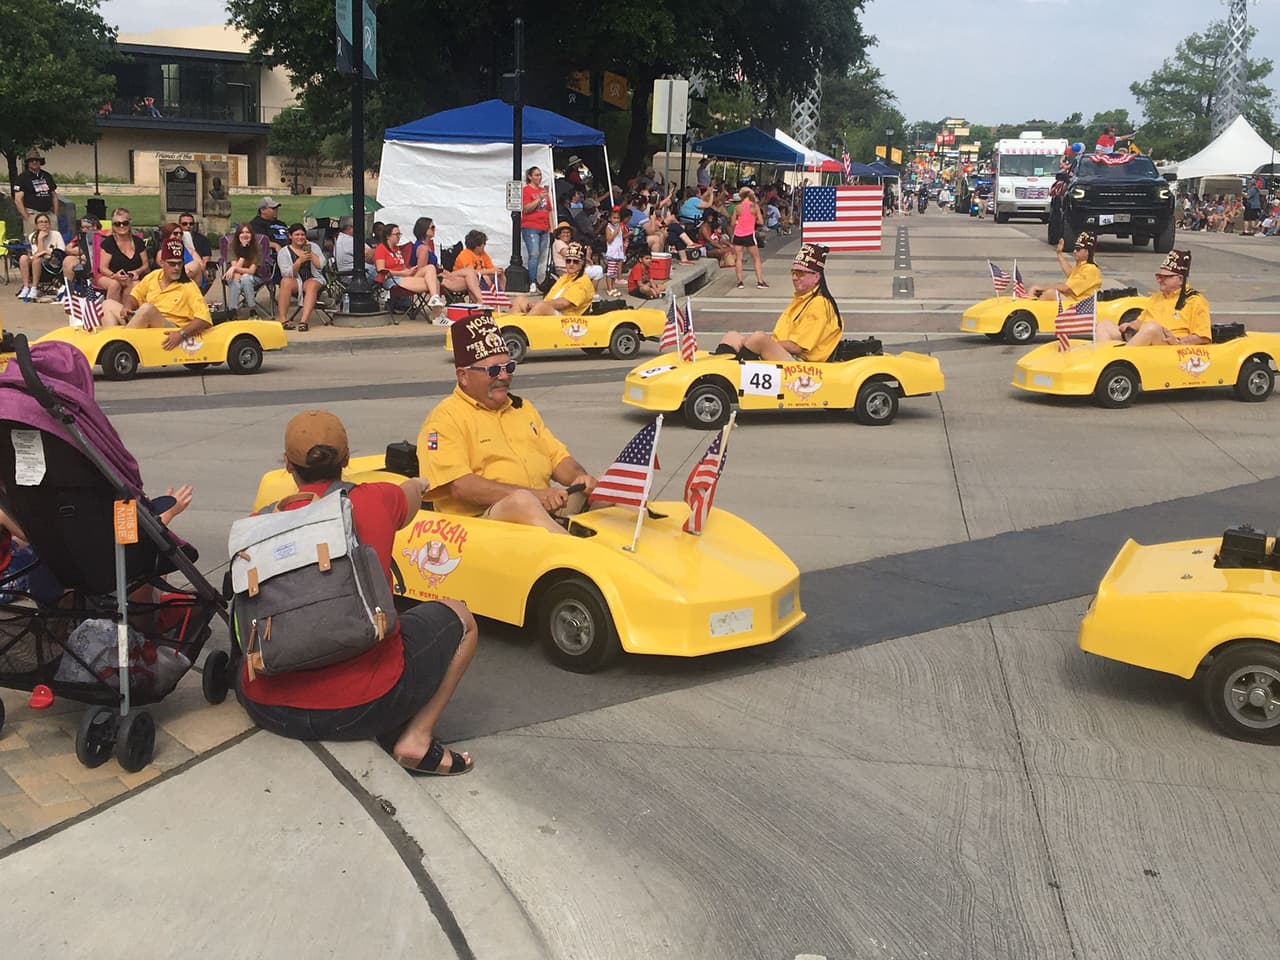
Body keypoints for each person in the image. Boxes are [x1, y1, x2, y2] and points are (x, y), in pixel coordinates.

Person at [237, 410, 478, 776]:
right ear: (347, 458)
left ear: (287, 464)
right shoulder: (375, 500)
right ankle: (416, 738)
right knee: (460, 618)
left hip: (268, 708)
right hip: (363, 708)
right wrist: (418, 482)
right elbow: (411, 494)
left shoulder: (259, 524)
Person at [417, 314, 598, 534]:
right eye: (493, 370)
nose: (504, 376)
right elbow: (459, 486)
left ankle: (630, 559)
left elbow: (557, 458)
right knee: (521, 502)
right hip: (478, 527)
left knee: (605, 490)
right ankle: (578, 557)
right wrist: (536, 496)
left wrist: (580, 477)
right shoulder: (445, 419)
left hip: (540, 509)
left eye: (509, 367)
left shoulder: (522, 408)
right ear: (463, 376)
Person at [715, 243, 841, 363]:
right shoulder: (802, 299)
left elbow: (797, 347)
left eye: (801, 274)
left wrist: (763, 344)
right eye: (793, 273)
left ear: (816, 277)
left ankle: (735, 374)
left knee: (759, 338)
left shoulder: (820, 304)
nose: (795, 278)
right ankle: (719, 373)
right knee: (731, 336)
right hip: (786, 354)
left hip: (804, 364)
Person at [101, 230, 212, 350]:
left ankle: (120, 347)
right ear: (162, 263)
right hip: (144, 322)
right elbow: (135, 295)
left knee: (147, 308)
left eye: (179, 264)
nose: (176, 268)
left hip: (169, 327)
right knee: (108, 304)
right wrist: (127, 306)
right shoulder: (154, 276)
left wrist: (180, 335)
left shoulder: (188, 285)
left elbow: (204, 319)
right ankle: (108, 345)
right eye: (172, 264)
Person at [1096, 250, 1210, 347]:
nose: (1159, 280)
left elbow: (1203, 337)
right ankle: (1102, 361)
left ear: (1180, 279)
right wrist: (1130, 326)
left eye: (1165, 277)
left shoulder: (1195, 301)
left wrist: (1179, 341)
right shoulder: (1156, 297)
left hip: (1170, 347)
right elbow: (1140, 322)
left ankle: (1119, 361)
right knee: (1104, 325)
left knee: (1151, 328)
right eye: (1158, 276)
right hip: (1144, 340)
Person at [406, 217, 485, 303]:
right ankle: (480, 302)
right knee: (470, 279)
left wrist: (444, 271)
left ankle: (479, 302)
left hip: (439, 275)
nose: (434, 230)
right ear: (424, 229)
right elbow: (422, 271)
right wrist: (441, 274)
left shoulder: (427, 246)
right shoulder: (423, 248)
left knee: (469, 273)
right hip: (433, 280)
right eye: (432, 227)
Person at [509, 242, 596, 316]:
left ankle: (521, 328)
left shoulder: (583, 281)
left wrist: (539, 304)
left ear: (582, 264)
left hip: (567, 319)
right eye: (568, 261)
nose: (571, 264)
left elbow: (564, 303)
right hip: (551, 311)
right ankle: (509, 329)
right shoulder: (566, 277)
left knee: (541, 306)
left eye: (575, 261)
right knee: (519, 299)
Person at [277, 223, 327, 331]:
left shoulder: (313, 247)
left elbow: (321, 265)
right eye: (297, 235)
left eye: (302, 234)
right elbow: (286, 273)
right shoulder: (284, 252)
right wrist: (298, 262)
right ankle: (283, 320)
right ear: (290, 236)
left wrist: (309, 251)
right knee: (285, 282)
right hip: (296, 280)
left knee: (312, 285)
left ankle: (303, 321)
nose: (300, 237)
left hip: (313, 278)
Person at [95, 207, 149, 304]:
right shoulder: (109, 243)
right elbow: (103, 268)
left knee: (136, 284)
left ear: (130, 223)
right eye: (117, 224)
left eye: (125, 223)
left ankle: (128, 312)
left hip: (131, 277)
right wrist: (114, 275)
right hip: (108, 276)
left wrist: (137, 272)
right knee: (115, 284)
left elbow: (145, 265)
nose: (121, 226)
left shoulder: (138, 242)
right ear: (113, 226)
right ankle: (112, 311)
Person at [1028, 232, 1102, 301]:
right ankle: (1026, 309)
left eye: (1078, 249)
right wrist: (1059, 253)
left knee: (1051, 293)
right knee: (1033, 289)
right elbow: (1071, 274)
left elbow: (1065, 288)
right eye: (1075, 248)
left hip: (1078, 306)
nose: (1074, 251)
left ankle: (1032, 311)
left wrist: (1042, 288)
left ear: (1087, 251)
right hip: (1071, 302)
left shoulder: (1091, 270)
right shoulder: (1082, 266)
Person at [15, 212, 66, 302]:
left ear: (49, 224)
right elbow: (38, 254)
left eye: (46, 222)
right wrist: (40, 239)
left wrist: (45, 251)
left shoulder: (56, 234)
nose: (44, 224)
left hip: (52, 265)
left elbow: (61, 252)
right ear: (37, 224)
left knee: (37, 260)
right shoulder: (33, 236)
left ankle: (34, 288)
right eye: (41, 222)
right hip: (38, 262)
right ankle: (26, 287)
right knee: (23, 258)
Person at [520, 166, 552, 288]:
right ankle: (532, 282)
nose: (539, 177)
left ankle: (535, 280)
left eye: (540, 175)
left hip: (544, 227)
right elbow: (526, 209)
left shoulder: (543, 191)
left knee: (538, 255)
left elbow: (549, 211)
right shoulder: (526, 190)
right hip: (530, 226)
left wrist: (553, 229)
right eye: (536, 175)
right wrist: (539, 198)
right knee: (534, 253)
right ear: (530, 177)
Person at [13, 154, 58, 237]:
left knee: (53, 239)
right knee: (33, 240)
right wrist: (26, 217)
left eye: (37, 160)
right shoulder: (22, 178)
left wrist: (55, 214)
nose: (34, 162)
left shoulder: (47, 176)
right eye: (31, 160)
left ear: (40, 162)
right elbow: (18, 200)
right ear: (28, 163)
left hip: (48, 214)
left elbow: (54, 195)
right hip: (32, 214)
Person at [731, 187, 767, 289]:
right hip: (749, 234)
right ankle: (760, 281)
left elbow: (733, 222)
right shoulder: (754, 206)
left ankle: (740, 282)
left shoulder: (737, 207)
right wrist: (752, 221)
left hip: (738, 234)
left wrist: (740, 222)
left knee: (739, 258)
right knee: (756, 258)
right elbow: (761, 222)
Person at [223, 223, 263, 314]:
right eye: (242, 232)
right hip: (234, 276)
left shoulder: (257, 247)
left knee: (246, 278)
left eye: (247, 232)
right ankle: (236, 311)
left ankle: (250, 308)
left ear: (252, 235)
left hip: (253, 277)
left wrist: (233, 269)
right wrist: (243, 254)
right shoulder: (232, 246)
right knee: (235, 280)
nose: (245, 235)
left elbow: (251, 271)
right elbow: (236, 266)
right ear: (238, 235)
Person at [177, 212, 212, 288]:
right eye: (184, 224)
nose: (188, 226)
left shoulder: (203, 240)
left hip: (197, 273)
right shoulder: (174, 241)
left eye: (191, 224)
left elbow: (206, 261)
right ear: (179, 225)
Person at [604, 207, 626, 297]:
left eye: (618, 218)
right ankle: (609, 288)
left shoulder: (619, 227)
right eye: (614, 218)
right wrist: (615, 232)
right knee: (610, 271)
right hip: (612, 252)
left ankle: (613, 287)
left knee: (615, 271)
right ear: (610, 218)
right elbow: (609, 239)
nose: (616, 220)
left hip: (618, 252)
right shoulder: (609, 227)